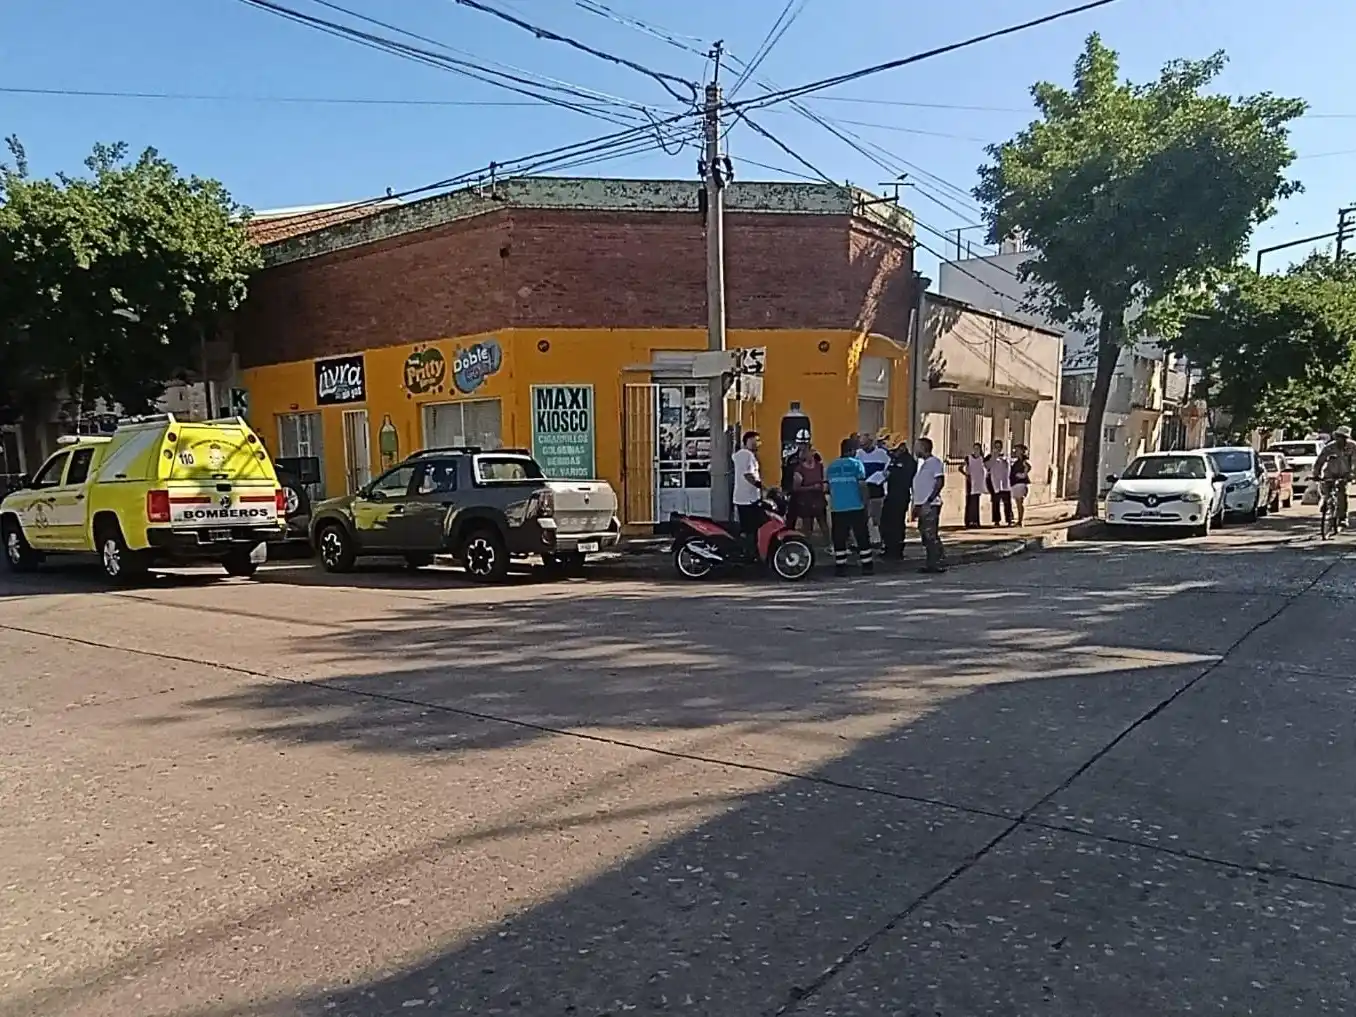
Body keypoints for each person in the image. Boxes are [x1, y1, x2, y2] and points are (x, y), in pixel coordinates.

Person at [827, 437, 873, 576]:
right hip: (855, 506)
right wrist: (866, 503)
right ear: (852, 451)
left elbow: (828, 487)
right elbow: (862, 486)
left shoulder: (831, 466)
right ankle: (867, 566)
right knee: (861, 536)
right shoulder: (856, 465)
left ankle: (840, 567)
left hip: (838, 508)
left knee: (839, 538)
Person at [912, 437, 946, 574]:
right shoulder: (923, 464)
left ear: (924, 448)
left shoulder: (935, 463)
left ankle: (936, 562)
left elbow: (939, 481)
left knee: (930, 534)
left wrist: (929, 500)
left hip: (931, 504)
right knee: (925, 535)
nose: (915, 450)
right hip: (922, 504)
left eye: (917, 447)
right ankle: (932, 561)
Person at [880, 440, 917, 560]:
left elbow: (905, 478)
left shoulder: (908, 461)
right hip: (890, 495)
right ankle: (888, 547)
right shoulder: (893, 459)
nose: (892, 453)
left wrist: (892, 473)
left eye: (894, 450)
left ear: (902, 447)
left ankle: (896, 550)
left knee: (897, 524)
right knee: (886, 522)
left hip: (901, 496)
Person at [1313, 425, 1356, 529]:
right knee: (1326, 491)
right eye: (1338, 437)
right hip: (1330, 473)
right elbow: (1320, 461)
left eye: (1343, 437)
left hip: (1344, 474)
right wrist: (1316, 474)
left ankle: (1342, 518)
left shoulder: (1353, 446)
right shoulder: (1329, 447)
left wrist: (1352, 474)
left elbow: (1355, 462)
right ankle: (1327, 506)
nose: (1340, 439)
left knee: (1342, 494)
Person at [855, 433, 890, 548]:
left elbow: (888, 469)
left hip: (877, 489)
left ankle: (879, 540)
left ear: (871, 442)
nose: (863, 447)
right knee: (863, 516)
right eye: (861, 445)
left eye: (865, 444)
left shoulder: (882, 454)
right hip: (862, 489)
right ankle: (865, 539)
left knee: (877, 517)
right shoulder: (858, 454)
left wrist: (883, 476)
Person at [731, 431, 765, 545]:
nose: (756, 444)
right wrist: (760, 485)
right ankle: (749, 550)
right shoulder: (747, 455)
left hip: (745, 497)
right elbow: (748, 474)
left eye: (758, 441)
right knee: (751, 527)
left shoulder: (741, 455)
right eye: (754, 441)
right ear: (746, 442)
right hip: (748, 499)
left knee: (748, 527)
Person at [791, 446, 829, 542]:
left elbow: (824, 480)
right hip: (806, 501)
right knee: (807, 527)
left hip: (818, 499)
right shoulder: (799, 470)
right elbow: (796, 488)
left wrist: (824, 486)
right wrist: (811, 487)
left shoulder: (819, 466)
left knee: (823, 524)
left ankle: (829, 544)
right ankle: (806, 546)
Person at [987, 439, 1014, 526]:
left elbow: (1009, 468)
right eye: (996, 447)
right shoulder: (989, 457)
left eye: (999, 447)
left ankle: (1009, 519)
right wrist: (994, 457)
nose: (998, 449)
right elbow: (987, 466)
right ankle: (996, 520)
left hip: (1005, 484)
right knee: (996, 502)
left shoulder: (1006, 457)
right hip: (995, 483)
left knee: (1007, 503)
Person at [961, 442, 986, 528]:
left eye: (977, 449)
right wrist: (967, 475)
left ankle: (976, 521)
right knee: (969, 501)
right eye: (974, 448)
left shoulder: (982, 458)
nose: (976, 450)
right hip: (970, 482)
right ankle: (968, 522)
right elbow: (961, 468)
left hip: (978, 482)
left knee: (976, 502)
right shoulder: (968, 458)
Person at [1009, 444, 1032, 526]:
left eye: (1017, 450)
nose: (1015, 451)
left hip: (1020, 484)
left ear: (1022, 451)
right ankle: (1019, 520)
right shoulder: (1017, 461)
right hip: (1016, 483)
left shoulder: (1024, 461)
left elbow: (1028, 467)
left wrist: (1023, 474)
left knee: (1019, 502)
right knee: (1018, 502)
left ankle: (1020, 521)